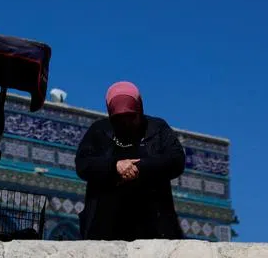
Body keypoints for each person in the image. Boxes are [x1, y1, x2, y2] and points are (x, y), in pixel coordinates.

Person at [74, 81, 186, 240]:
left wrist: (140, 167)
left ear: (139, 109)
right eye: (119, 118)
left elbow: (176, 160)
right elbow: (83, 164)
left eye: (130, 116)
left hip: (154, 228)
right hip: (105, 229)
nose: (125, 122)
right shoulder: (99, 131)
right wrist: (115, 167)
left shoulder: (157, 129)